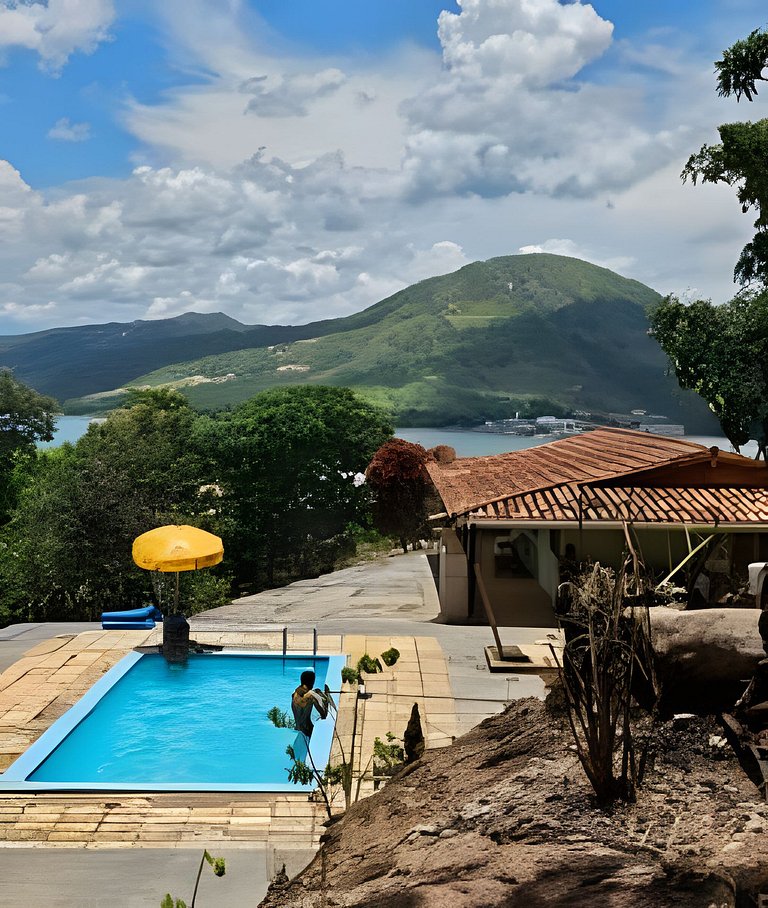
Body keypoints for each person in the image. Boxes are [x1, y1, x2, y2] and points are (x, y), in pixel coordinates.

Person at [291, 670, 328, 738]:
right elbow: (324, 715)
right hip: (308, 732)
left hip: (298, 729)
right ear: (311, 682)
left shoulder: (294, 695)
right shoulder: (311, 697)